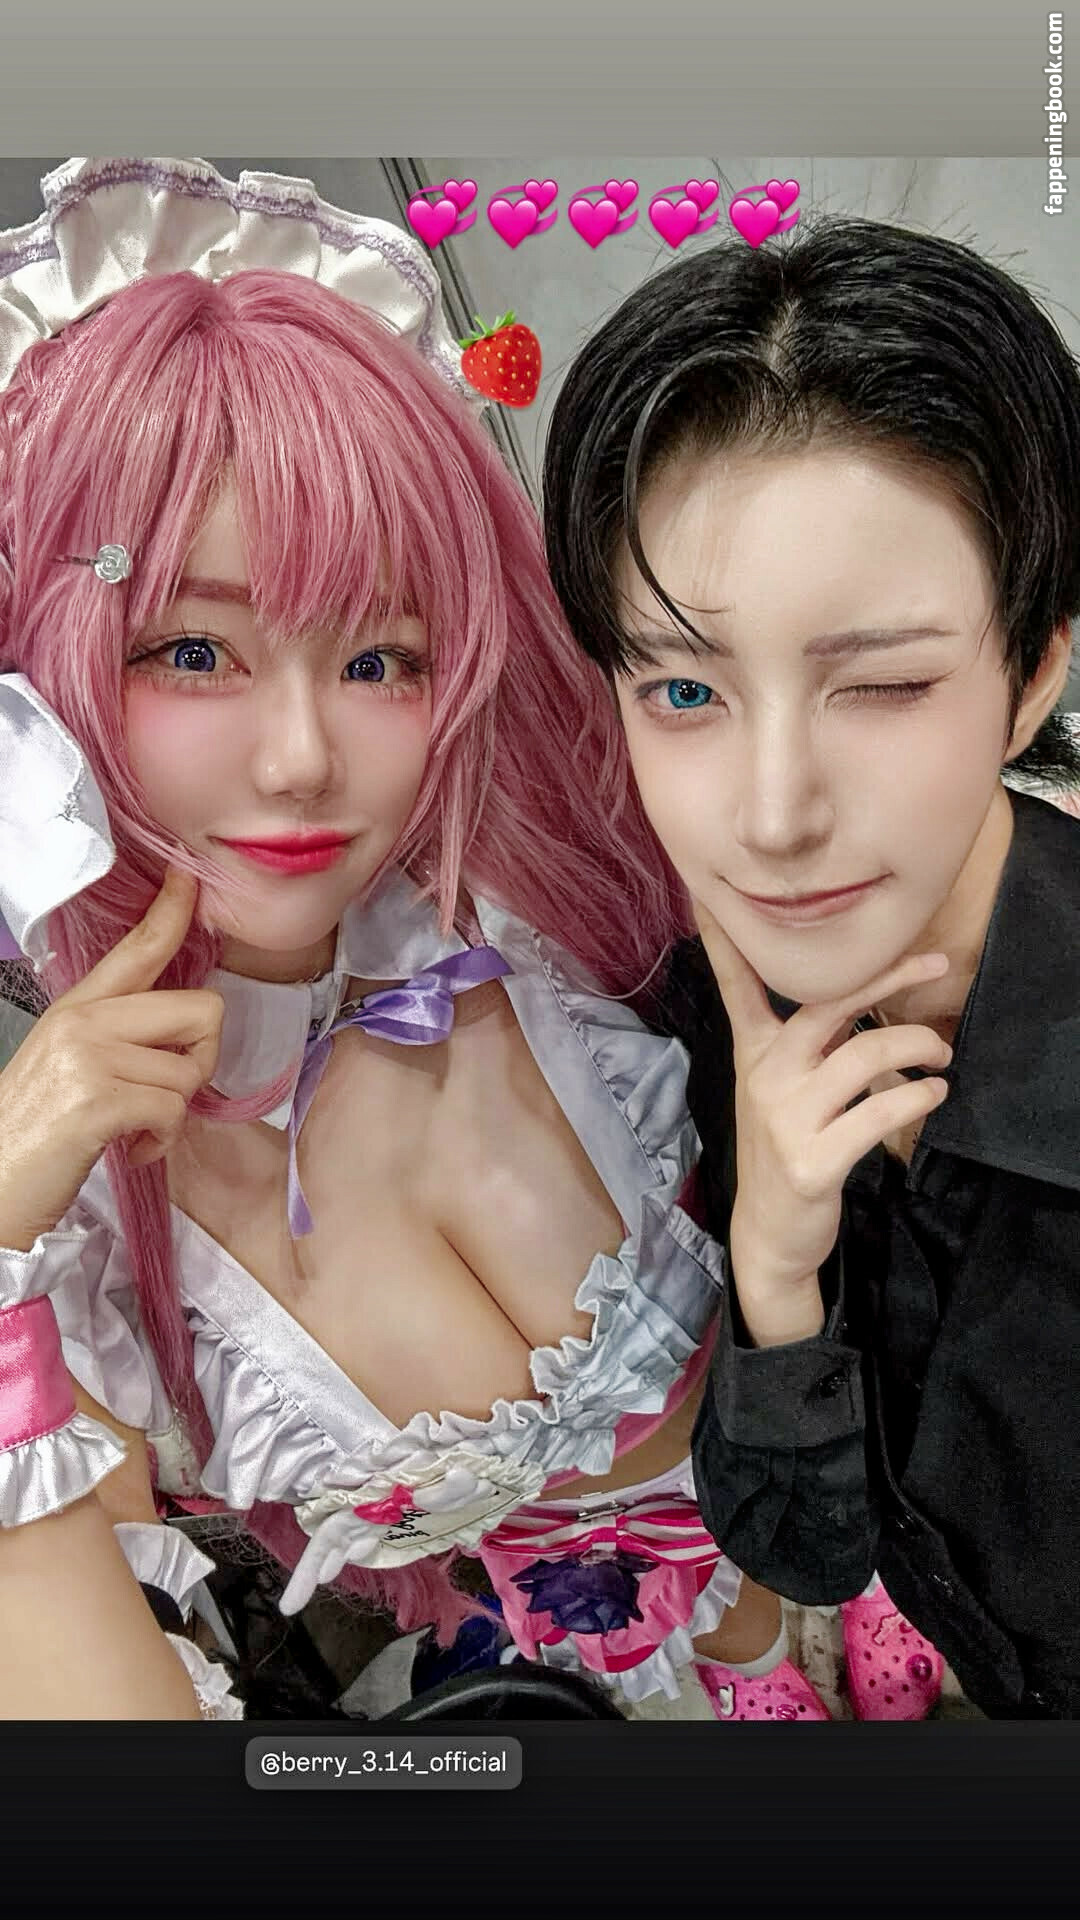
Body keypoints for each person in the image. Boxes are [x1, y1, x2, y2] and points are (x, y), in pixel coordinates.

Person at [0, 158, 811, 1721]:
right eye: (194, 649)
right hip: (576, 1674)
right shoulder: (85, 1248)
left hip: (841, 1520)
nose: (305, 759)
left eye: (379, 656)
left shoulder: (556, 896)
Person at [541, 214, 1080, 1719]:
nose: (772, 819)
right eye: (684, 691)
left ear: (1032, 671)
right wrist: (776, 1270)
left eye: (883, 684)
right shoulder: (705, 1013)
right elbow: (810, 1557)